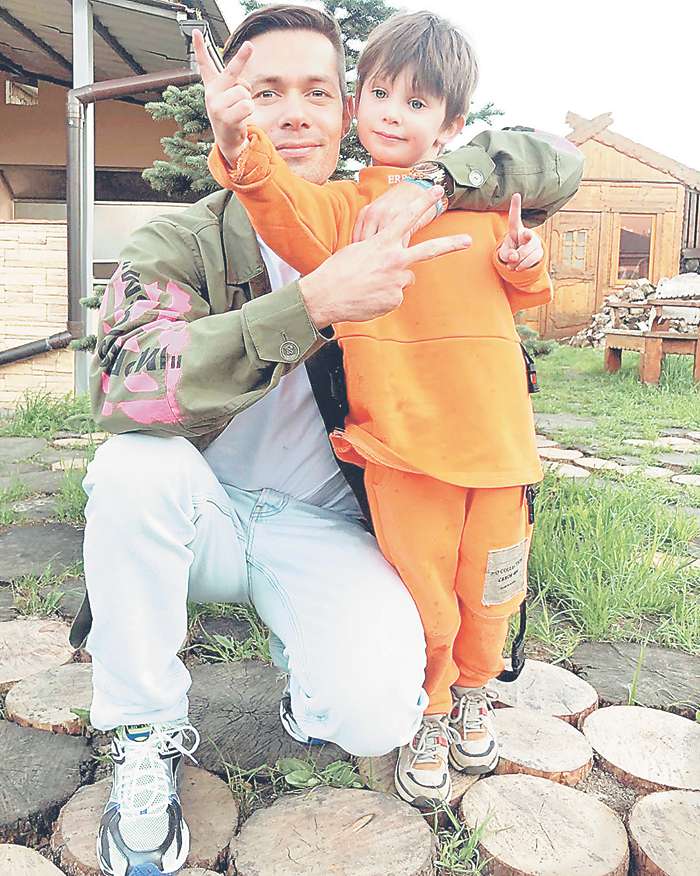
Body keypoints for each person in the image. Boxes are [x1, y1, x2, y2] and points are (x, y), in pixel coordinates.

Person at [70, 5, 583, 874]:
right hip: (203, 514)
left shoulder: (383, 212)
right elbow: (123, 382)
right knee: (129, 469)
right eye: (264, 91)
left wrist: (437, 183)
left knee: (375, 714)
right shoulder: (182, 238)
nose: (294, 113)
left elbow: (555, 160)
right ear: (230, 107)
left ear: (347, 110)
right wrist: (309, 305)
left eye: (317, 91)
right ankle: (144, 733)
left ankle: (314, 668)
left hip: (321, 526)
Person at [205, 10, 553, 809]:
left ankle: (475, 692)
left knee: (492, 589)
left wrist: (523, 259)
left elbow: (525, 286)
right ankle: (430, 711)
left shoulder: (477, 205)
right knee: (425, 595)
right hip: (402, 452)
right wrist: (241, 146)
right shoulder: (341, 208)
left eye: (418, 103)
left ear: (452, 126)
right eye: (381, 95)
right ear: (357, 103)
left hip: (499, 452)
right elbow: (279, 206)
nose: (394, 115)